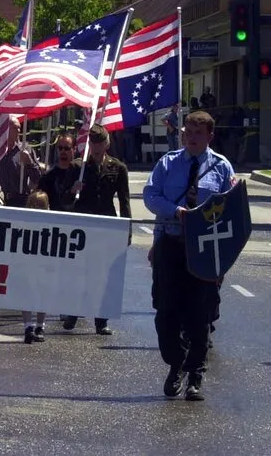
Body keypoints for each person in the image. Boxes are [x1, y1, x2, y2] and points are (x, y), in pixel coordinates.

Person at [143, 111, 235, 401]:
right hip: (171, 245)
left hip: (204, 250)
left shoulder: (221, 168)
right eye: (187, 132)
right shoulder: (168, 163)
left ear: (210, 136)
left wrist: (223, 260)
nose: (191, 137)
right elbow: (150, 196)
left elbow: (232, 213)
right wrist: (175, 211)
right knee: (166, 314)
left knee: (199, 315)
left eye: (197, 133)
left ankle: (195, 374)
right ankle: (176, 362)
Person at [60, 124, 131, 336]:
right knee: (80, 272)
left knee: (104, 275)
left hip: (107, 225)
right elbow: (64, 199)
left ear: (106, 143)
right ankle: (73, 312)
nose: (97, 147)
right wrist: (73, 190)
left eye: (100, 143)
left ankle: (102, 320)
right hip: (84, 225)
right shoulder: (78, 167)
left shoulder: (118, 168)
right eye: (94, 143)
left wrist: (126, 231)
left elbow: (125, 202)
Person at [0, 115, 43, 209]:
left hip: (19, 201)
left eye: (19, 128)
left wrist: (29, 163)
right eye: (14, 128)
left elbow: (38, 178)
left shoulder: (26, 149)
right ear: (5, 129)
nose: (18, 131)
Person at [21, 190, 51, 343]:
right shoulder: (25, 222)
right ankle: (32, 326)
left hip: (41, 264)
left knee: (37, 294)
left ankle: (35, 326)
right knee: (34, 294)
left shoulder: (51, 223)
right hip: (31, 263)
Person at [37, 133, 79, 213]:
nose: (63, 151)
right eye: (60, 148)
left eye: (67, 148)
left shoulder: (80, 174)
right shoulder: (48, 177)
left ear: (74, 149)